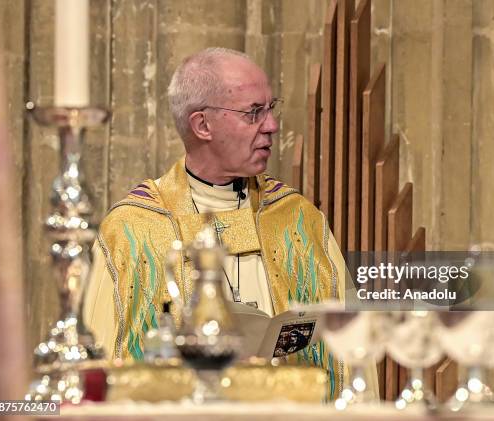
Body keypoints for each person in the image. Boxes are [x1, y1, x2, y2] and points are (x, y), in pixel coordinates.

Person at [84, 47, 350, 399]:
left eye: (271, 108)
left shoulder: (299, 221)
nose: (271, 126)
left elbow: (353, 349)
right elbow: (96, 374)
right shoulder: (132, 231)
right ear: (202, 125)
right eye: (253, 113)